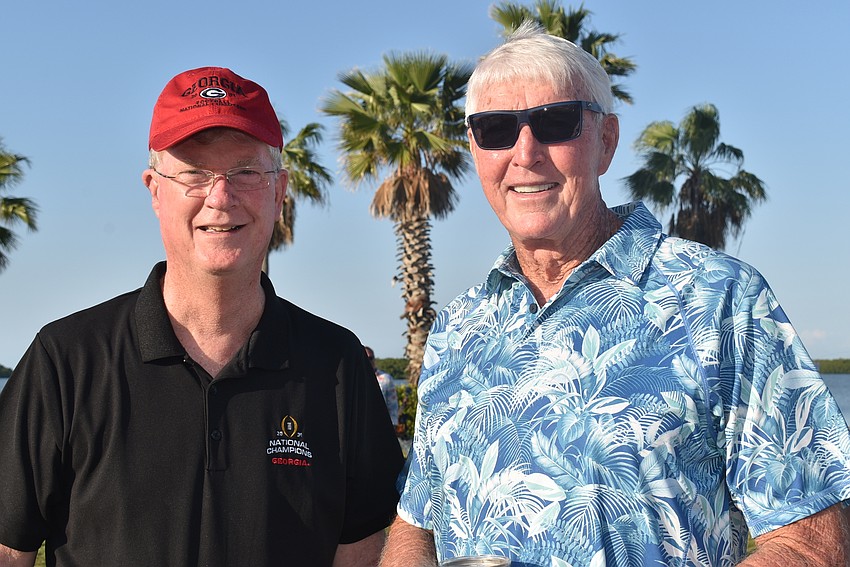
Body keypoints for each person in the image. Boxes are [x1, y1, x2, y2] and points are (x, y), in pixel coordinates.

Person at [381, 24, 850, 567]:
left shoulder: (720, 300)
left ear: (605, 141)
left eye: (556, 123)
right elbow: (417, 524)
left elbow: (808, 541)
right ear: (475, 148)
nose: (525, 152)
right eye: (496, 129)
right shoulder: (459, 328)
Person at [0, 66, 404, 567]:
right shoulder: (65, 361)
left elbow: (365, 552)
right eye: (193, 172)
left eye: (245, 172)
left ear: (279, 191)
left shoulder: (337, 364)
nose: (221, 196)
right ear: (154, 190)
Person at [366, 346, 400, 427]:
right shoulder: (353, 378)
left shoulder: (386, 379)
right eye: (365, 358)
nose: (368, 361)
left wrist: (393, 425)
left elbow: (393, 406)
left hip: (381, 425)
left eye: (370, 358)